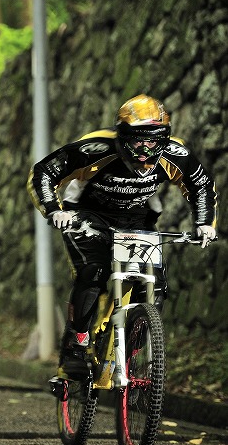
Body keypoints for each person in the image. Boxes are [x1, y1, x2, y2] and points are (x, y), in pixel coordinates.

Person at [28, 94, 218, 380]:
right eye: (136, 140)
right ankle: (76, 346)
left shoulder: (175, 154)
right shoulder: (94, 148)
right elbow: (43, 173)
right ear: (121, 136)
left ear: (164, 139)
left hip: (138, 219)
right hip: (87, 215)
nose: (144, 149)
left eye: (152, 141)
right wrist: (54, 210)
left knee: (155, 284)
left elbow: (201, 185)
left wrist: (204, 223)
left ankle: (128, 348)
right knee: (93, 270)